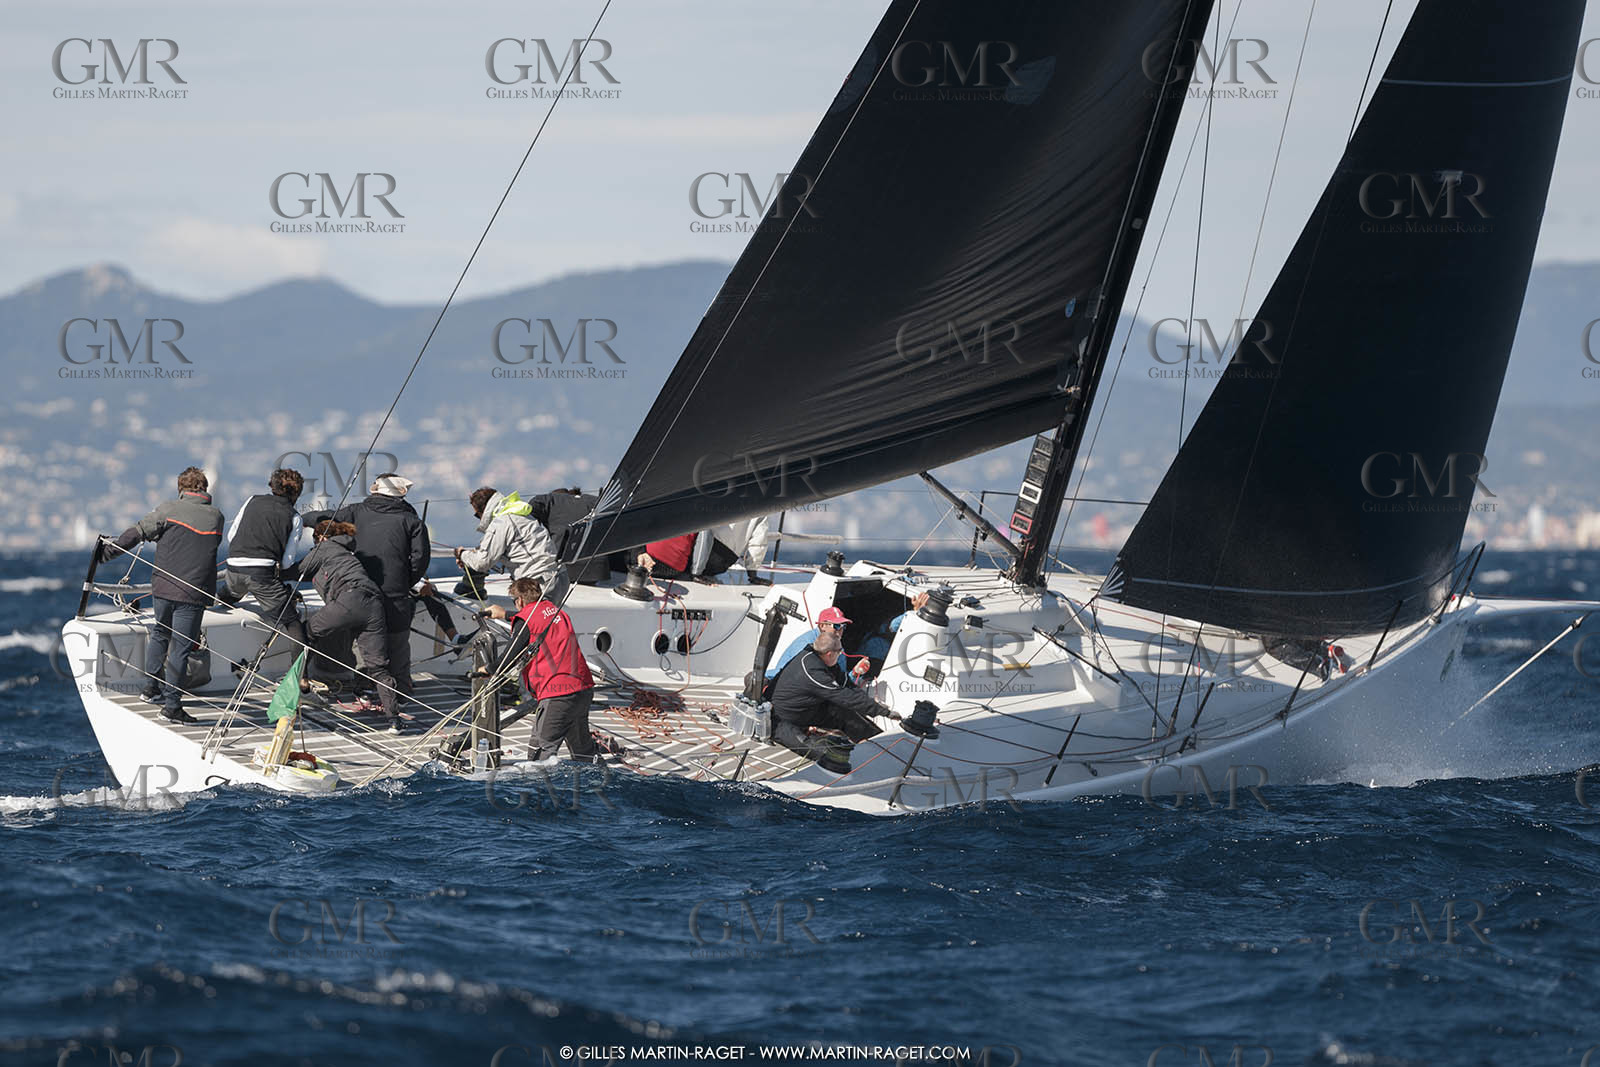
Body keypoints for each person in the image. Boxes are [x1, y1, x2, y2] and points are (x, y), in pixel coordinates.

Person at [103, 466, 225, 724]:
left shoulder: (168, 509)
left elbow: (136, 533)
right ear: (204, 489)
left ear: (181, 489)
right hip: (192, 592)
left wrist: (108, 553)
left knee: (160, 633)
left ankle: (151, 690)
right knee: (181, 647)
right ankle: (172, 706)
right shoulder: (217, 517)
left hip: (163, 586)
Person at [302, 473, 430, 701]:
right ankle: (400, 690)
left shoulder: (357, 511)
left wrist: (298, 518)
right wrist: (405, 582)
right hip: (396, 591)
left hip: (360, 589)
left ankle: (367, 686)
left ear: (375, 490)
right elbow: (420, 560)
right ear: (401, 494)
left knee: (365, 641)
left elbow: (327, 519)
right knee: (398, 641)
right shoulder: (412, 521)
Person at [282, 520, 402, 732]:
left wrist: (270, 574)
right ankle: (394, 720)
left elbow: (298, 570)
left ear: (321, 537)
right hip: (374, 605)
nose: (313, 545)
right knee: (378, 666)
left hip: (348, 600)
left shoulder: (326, 546)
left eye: (314, 541)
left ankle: (299, 683)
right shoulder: (348, 552)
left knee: (306, 632)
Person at [486, 576, 596, 762]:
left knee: (539, 754)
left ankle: (538, 789)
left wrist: (488, 669)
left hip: (558, 694)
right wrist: (505, 614)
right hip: (583, 688)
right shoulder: (555, 611)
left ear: (520, 601)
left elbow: (509, 657)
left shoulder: (526, 620)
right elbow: (536, 620)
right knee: (583, 753)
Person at [217, 468, 309, 663]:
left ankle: (219, 599)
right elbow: (287, 563)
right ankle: (302, 679)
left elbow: (231, 536)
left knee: (228, 595)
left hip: (233, 570)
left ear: (272, 486)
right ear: (297, 493)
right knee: (293, 624)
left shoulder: (252, 500)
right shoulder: (294, 517)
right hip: (261, 577)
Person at [767, 627, 886, 774]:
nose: (840, 630)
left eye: (843, 626)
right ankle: (863, 769)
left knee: (846, 715)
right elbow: (840, 694)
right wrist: (883, 711)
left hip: (807, 707)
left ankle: (882, 744)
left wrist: (855, 675)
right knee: (831, 756)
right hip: (781, 719)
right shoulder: (811, 666)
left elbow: (841, 684)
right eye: (837, 626)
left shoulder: (824, 652)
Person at [455, 487, 571, 606]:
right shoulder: (519, 513)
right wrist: (471, 557)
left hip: (538, 584)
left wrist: (462, 554)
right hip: (559, 578)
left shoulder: (501, 523)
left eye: (476, 515)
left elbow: (482, 562)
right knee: (545, 623)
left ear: (483, 511)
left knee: (531, 624)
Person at [530, 487, 607, 585]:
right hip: (595, 572)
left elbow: (526, 518)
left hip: (560, 571)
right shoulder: (595, 502)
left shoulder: (549, 500)